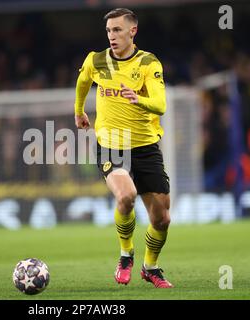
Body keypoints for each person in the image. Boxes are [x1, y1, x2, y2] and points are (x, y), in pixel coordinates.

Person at [74, 8, 173, 288]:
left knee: (162, 219)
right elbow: (82, 82)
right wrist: (78, 110)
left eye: (117, 30)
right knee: (126, 196)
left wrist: (137, 99)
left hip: (146, 147)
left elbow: (161, 105)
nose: (112, 36)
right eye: (108, 30)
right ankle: (126, 254)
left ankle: (150, 267)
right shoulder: (96, 60)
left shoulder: (148, 63)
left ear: (133, 31)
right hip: (111, 146)